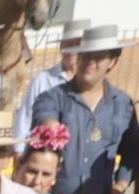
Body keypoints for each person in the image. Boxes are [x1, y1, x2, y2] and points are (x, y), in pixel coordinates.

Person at [31, 25, 139, 194]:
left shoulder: (122, 104)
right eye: (85, 56)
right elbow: (44, 122)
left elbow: (134, 150)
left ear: (112, 62)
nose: (89, 63)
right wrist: (50, 127)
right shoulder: (53, 98)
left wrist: (122, 184)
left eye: (98, 57)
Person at [14, 19, 86, 149]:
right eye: (68, 44)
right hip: (43, 151)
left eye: (76, 45)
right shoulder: (43, 79)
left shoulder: (88, 84)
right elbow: (25, 115)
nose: (71, 51)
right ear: (61, 47)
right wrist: (18, 149)